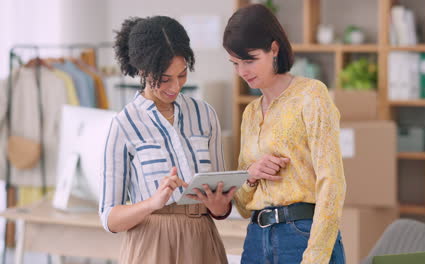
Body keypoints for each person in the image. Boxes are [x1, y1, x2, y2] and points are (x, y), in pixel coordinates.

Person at [99, 16, 235, 264]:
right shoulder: (123, 125)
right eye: (164, 79)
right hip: (150, 246)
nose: (175, 86)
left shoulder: (205, 115)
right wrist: (152, 203)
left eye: (182, 75)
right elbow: (109, 218)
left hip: (202, 243)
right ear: (143, 70)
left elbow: (222, 198)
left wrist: (220, 206)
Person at [223, 4, 346, 264]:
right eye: (235, 63)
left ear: (274, 49)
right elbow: (244, 206)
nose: (242, 72)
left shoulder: (311, 95)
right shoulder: (250, 113)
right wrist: (251, 175)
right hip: (256, 238)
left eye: (250, 60)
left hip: (300, 235)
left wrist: (315, 256)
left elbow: (332, 182)